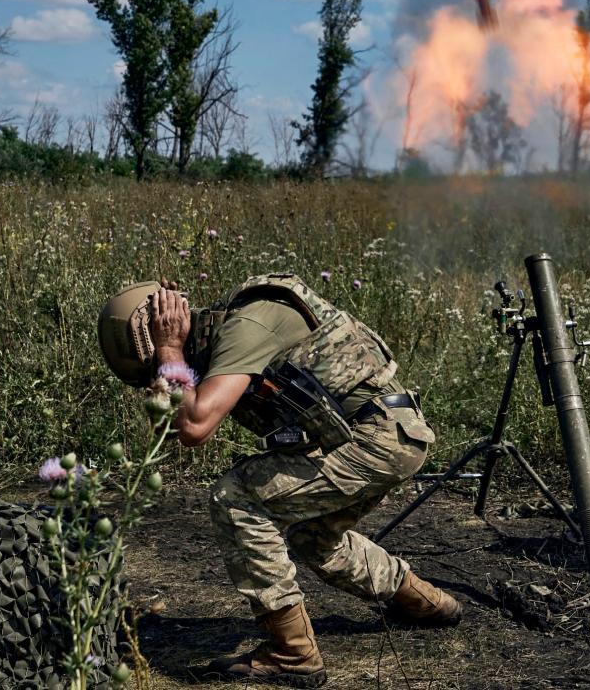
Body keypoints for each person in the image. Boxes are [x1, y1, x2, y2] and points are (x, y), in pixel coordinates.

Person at [98, 273, 462, 687]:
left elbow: (195, 426)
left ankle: (292, 653)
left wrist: (167, 348)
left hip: (376, 436)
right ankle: (428, 603)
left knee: (235, 495)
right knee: (315, 540)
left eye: (155, 371)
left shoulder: (244, 326)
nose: (159, 379)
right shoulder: (229, 338)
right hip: (382, 437)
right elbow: (178, 420)